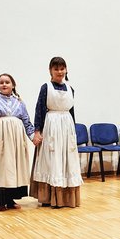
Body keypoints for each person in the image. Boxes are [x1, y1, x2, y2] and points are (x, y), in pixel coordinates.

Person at [30, 56, 81, 208]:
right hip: (51, 125)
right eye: (56, 69)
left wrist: (74, 132)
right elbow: (39, 109)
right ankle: (50, 197)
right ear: (50, 71)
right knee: (52, 160)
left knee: (67, 161)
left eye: (62, 68)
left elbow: (72, 112)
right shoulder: (46, 87)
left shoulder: (70, 88)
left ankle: (66, 198)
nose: (59, 71)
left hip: (67, 127)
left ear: (66, 70)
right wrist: (37, 131)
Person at [0, 73, 36, 211]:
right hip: (0, 138)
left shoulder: (19, 103)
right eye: (1, 82)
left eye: (7, 82)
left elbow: (26, 121)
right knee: (1, 168)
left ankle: (11, 200)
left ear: (13, 85)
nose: (4, 84)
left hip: (16, 140)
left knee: (14, 168)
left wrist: (33, 136)